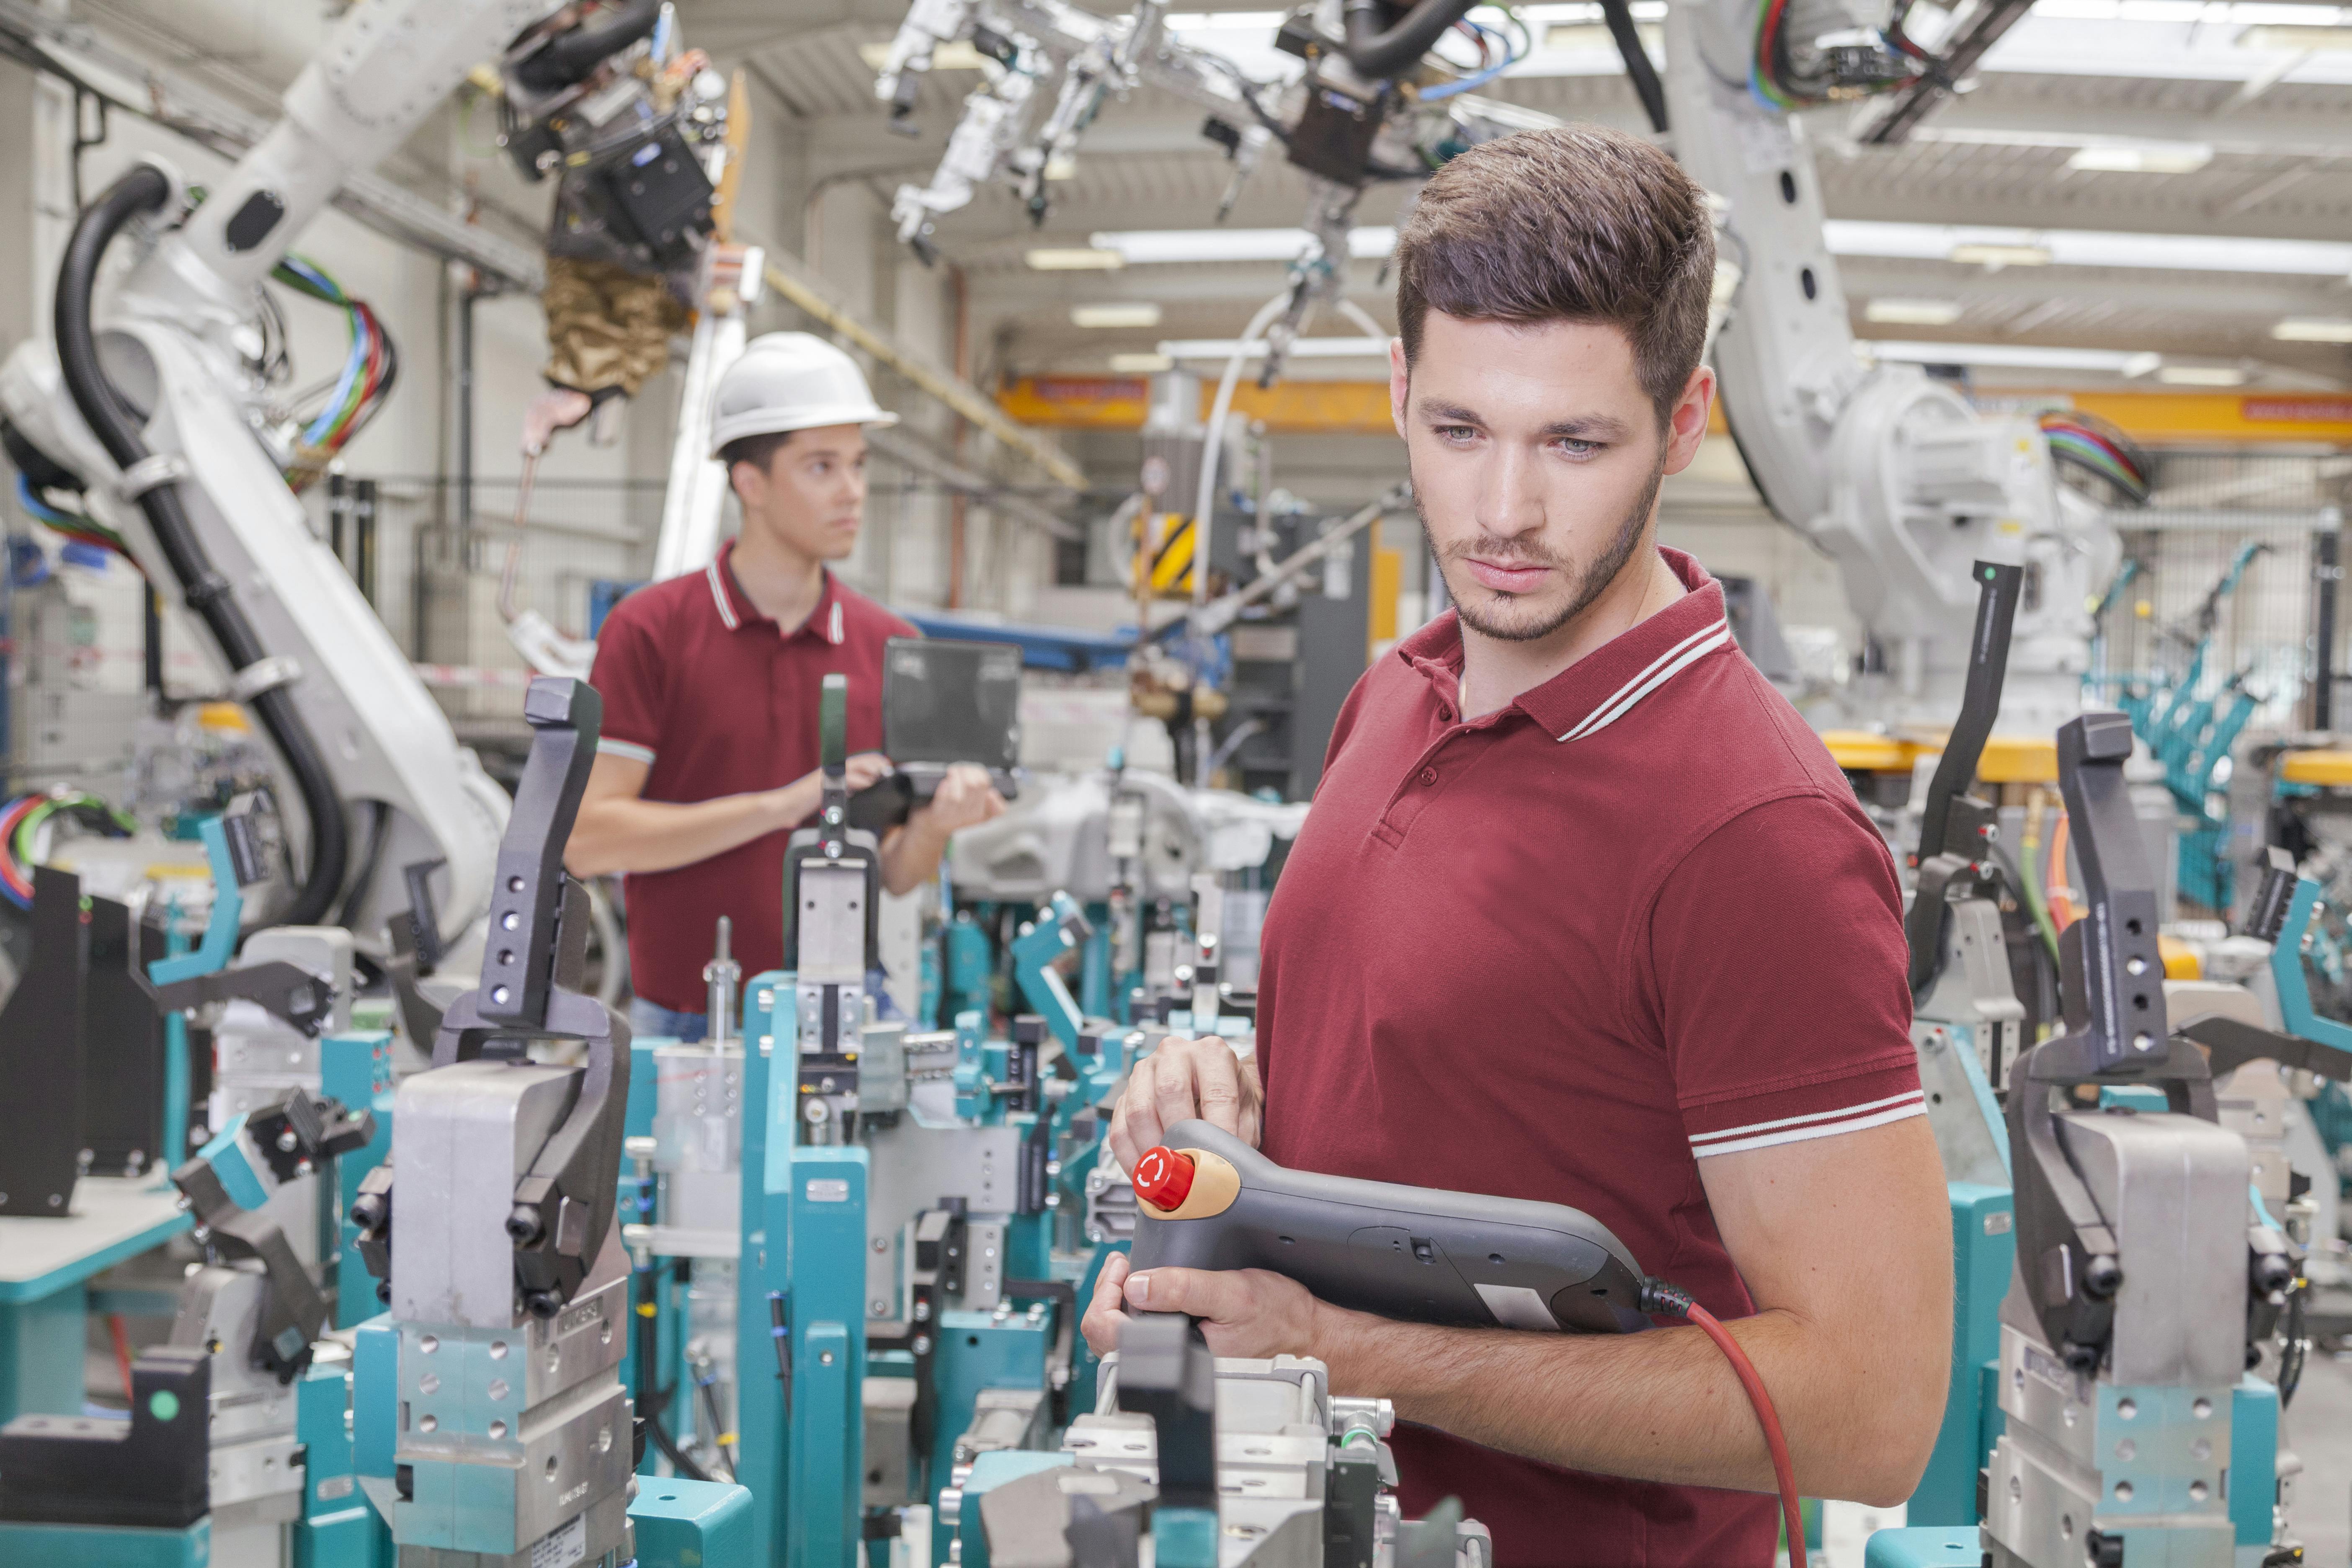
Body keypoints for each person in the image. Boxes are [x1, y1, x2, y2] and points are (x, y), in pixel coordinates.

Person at [1079, 127, 1952, 1567]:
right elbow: (1433, 1071)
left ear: (1679, 430)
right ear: (1399, 397)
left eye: (1575, 442)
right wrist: (1228, 1099)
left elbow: (1869, 1410)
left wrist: (1339, 1349)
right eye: (1459, 431)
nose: (1500, 515)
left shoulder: (1753, 832)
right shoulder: (1397, 691)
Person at [566, 333, 1006, 1039]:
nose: (852, 492)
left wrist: (935, 825)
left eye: (858, 466)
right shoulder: (651, 629)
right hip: (685, 1024)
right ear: (752, 483)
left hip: (846, 1020)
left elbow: (895, 874)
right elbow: (588, 839)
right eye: (821, 467)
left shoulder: (891, 647)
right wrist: (783, 806)